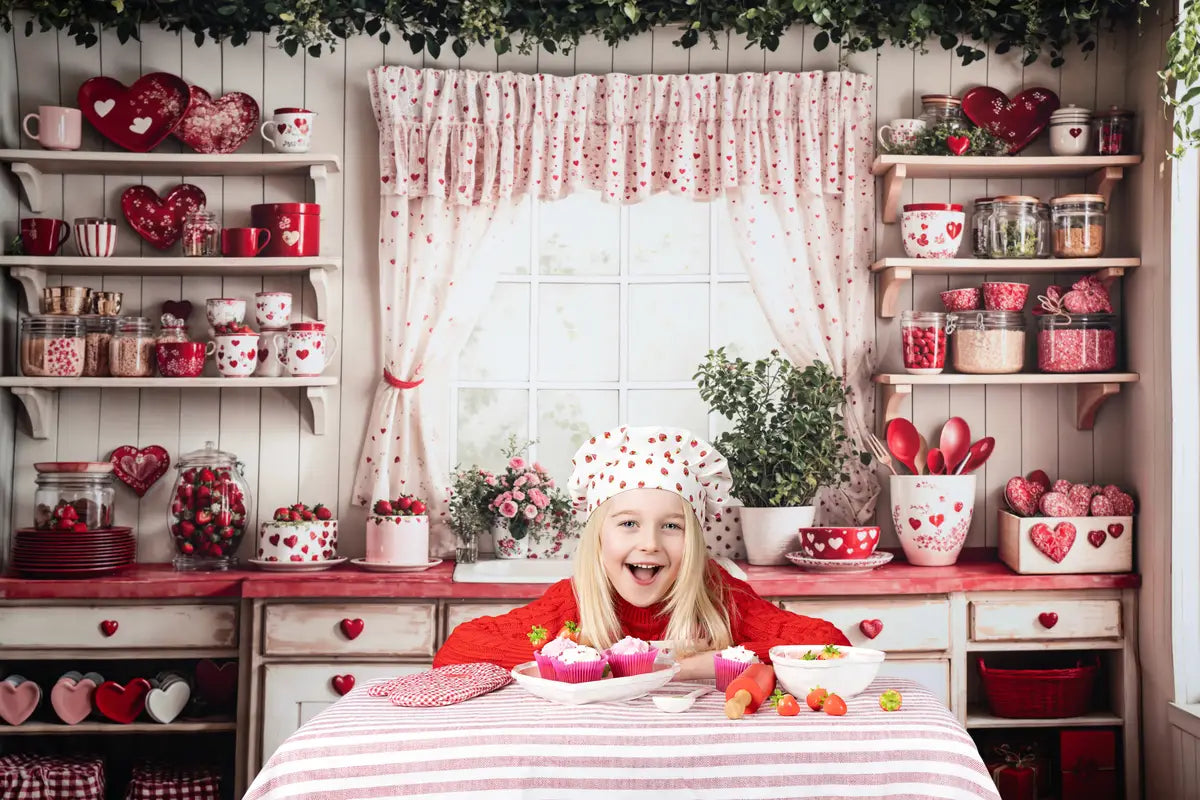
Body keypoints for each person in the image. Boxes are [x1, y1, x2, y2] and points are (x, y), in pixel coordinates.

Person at [434, 425, 850, 679]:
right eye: (628, 523)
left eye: (671, 526)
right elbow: (457, 651)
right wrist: (604, 665)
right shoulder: (572, 604)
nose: (649, 542)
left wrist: (696, 664)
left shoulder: (719, 600)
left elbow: (832, 646)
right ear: (599, 537)